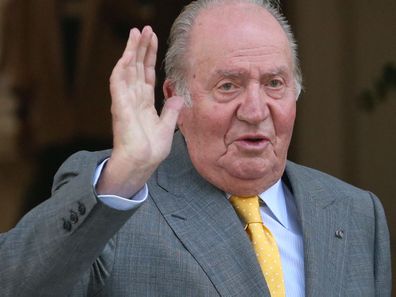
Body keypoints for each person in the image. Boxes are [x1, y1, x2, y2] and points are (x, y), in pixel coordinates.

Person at [0, 0, 391, 296]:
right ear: (176, 100)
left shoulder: (357, 213)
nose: (256, 111)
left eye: (274, 83)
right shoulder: (115, 198)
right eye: (228, 86)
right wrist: (125, 176)